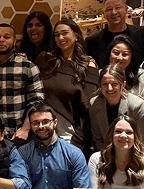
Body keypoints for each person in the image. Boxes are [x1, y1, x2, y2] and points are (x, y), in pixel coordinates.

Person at [35, 18, 99, 150]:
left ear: (76, 36)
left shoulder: (88, 66)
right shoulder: (45, 60)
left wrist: (78, 140)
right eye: (57, 35)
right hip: (41, 129)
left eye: (64, 33)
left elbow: (90, 106)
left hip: (69, 135)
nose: (60, 38)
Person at [88, 64, 144, 154]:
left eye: (114, 84)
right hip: (107, 157)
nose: (109, 88)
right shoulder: (94, 104)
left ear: (123, 85)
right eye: (105, 84)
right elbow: (97, 139)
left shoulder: (138, 105)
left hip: (136, 157)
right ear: (99, 85)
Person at [88, 115, 144, 189]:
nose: (123, 135)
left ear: (135, 137)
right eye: (118, 131)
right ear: (111, 135)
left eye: (129, 132)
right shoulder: (97, 159)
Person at [85, 0, 144, 66]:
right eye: (109, 9)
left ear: (126, 9)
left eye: (118, 8)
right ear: (104, 14)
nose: (114, 12)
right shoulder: (92, 41)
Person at [103, 34, 144, 107]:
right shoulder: (101, 74)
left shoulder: (141, 76)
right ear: (109, 53)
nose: (120, 58)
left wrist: (143, 104)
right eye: (116, 53)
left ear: (131, 57)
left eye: (125, 54)